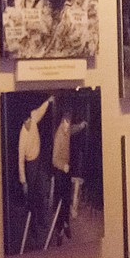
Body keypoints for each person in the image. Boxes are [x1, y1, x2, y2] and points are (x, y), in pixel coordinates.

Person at [17, 95, 55, 251]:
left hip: (39, 160)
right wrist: (24, 182)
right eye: (25, 122)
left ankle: (42, 220)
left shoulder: (33, 117)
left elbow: (41, 110)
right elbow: (20, 161)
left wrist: (48, 101)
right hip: (30, 165)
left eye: (29, 121)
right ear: (22, 123)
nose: (28, 124)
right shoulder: (22, 136)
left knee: (40, 192)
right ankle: (32, 227)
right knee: (31, 197)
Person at [51, 103, 88, 244]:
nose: (67, 125)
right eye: (65, 122)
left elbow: (72, 130)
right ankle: (59, 231)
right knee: (61, 202)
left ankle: (66, 224)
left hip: (66, 170)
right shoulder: (59, 136)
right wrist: (63, 166)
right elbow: (54, 160)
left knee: (66, 199)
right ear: (62, 121)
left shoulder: (68, 129)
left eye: (69, 122)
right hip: (60, 171)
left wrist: (81, 125)